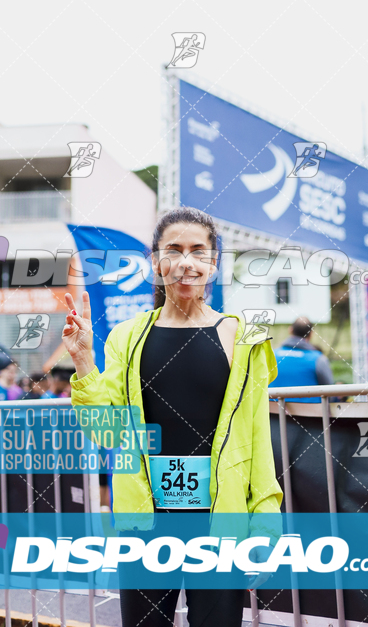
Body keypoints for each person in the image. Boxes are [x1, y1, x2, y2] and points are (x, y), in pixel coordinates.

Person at [63, 207, 283, 627]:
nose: (186, 262)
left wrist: (266, 523)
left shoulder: (245, 339)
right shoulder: (127, 337)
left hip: (221, 520)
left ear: (214, 262)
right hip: (144, 521)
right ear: (155, 261)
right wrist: (83, 360)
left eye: (198, 251)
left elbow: (258, 439)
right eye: (173, 250)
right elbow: (106, 432)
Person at [269, 316, 334, 403]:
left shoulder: (271, 356)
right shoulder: (319, 359)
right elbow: (331, 393)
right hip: (311, 415)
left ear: (290, 330)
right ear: (311, 334)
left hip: (274, 415)